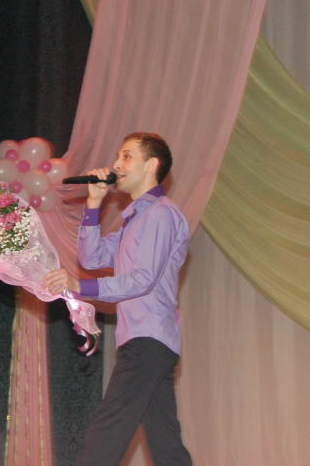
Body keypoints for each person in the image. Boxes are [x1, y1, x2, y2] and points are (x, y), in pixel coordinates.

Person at [43, 132, 193, 466]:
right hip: (145, 339)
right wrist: (93, 204)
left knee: (107, 431)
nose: (116, 165)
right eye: (118, 156)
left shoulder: (161, 215)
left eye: (126, 156)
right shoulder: (135, 219)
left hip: (148, 337)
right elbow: (92, 257)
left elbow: (141, 279)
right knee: (165, 442)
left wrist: (79, 286)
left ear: (151, 165)